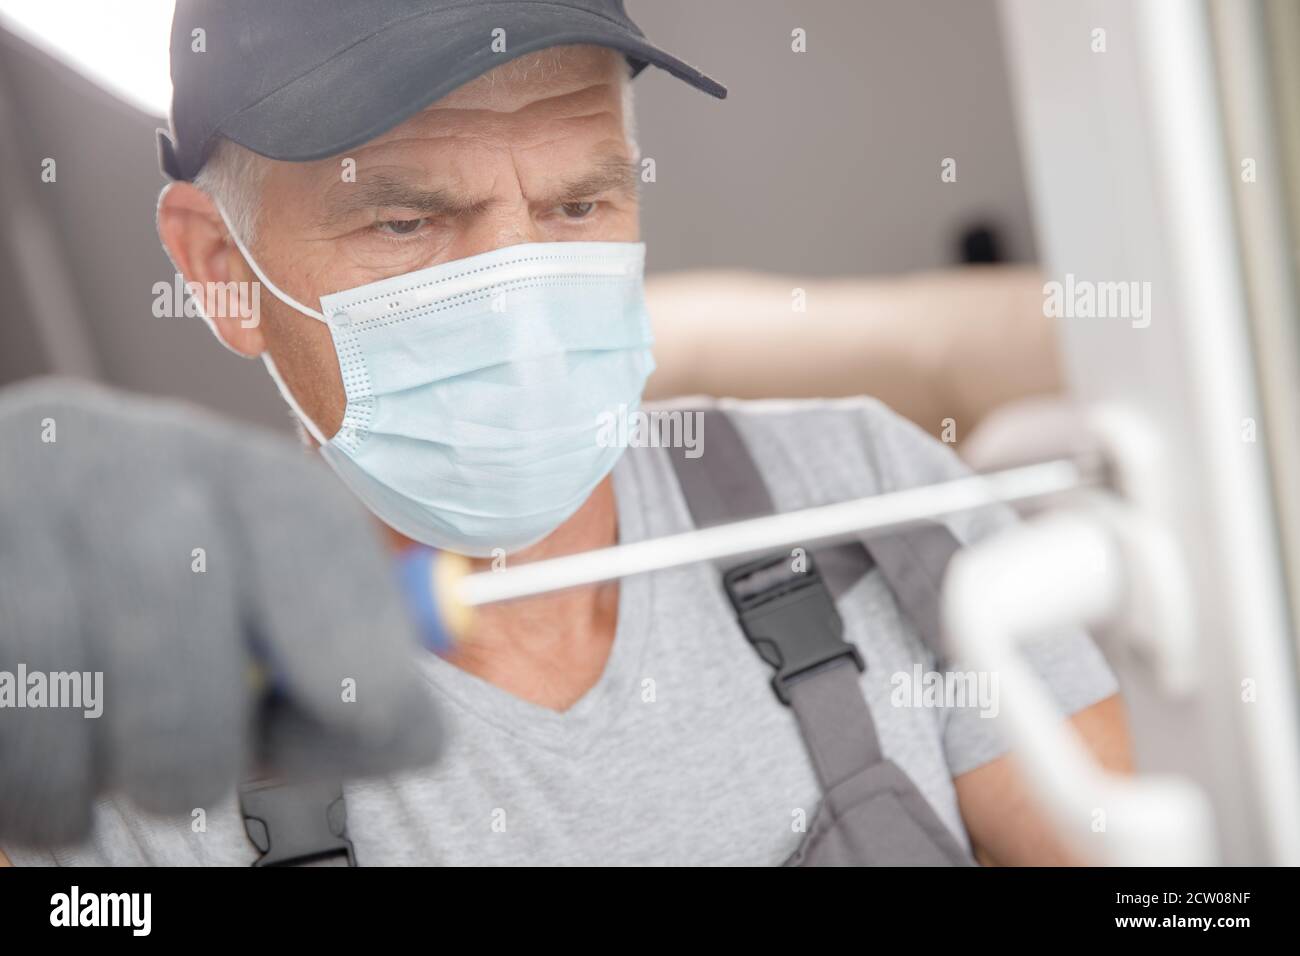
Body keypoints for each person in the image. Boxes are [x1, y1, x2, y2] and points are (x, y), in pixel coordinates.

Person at [4, 0, 1128, 866]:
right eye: (407, 220)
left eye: (576, 207)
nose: (520, 304)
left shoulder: (867, 491)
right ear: (219, 269)